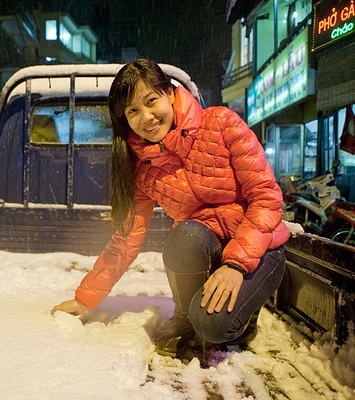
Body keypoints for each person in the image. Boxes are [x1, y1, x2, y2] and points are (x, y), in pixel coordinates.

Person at [51, 59, 290, 358]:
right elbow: (126, 238)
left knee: (216, 329)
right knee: (185, 236)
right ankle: (186, 317)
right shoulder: (140, 167)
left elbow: (266, 197)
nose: (146, 117)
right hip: (208, 247)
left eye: (151, 101)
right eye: (133, 111)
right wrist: (86, 298)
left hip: (260, 248)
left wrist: (236, 265)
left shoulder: (221, 123)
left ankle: (243, 314)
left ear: (171, 94)